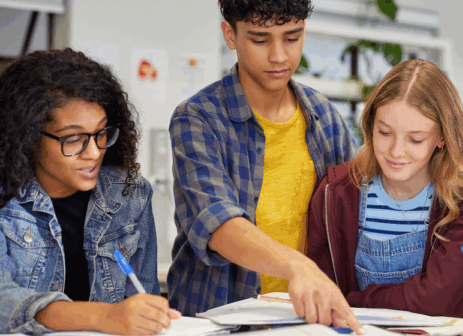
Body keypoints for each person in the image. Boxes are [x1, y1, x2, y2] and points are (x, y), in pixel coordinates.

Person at [166, 0, 361, 331]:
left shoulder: (324, 116)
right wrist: (298, 266)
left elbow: (356, 210)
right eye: (260, 40)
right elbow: (219, 224)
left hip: (304, 321)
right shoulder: (197, 119)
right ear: (230, 35)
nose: (279, 56)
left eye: (292, 38)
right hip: (220, 320)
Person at [0, 48, 180, 335]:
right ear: (28, 137)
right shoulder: (6, 202)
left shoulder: (129, 194)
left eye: (101, 133)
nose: (94, 152)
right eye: (74, 139)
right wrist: (104, 316)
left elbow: (142, 299)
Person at [306, 59, 463, 318]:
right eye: (384, 133)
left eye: (415, 139)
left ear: (442, 137)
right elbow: (320, 292)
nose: (396, 152)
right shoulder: (335, 192)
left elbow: (438, 300)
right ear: (370, 126)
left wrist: (349, 303)